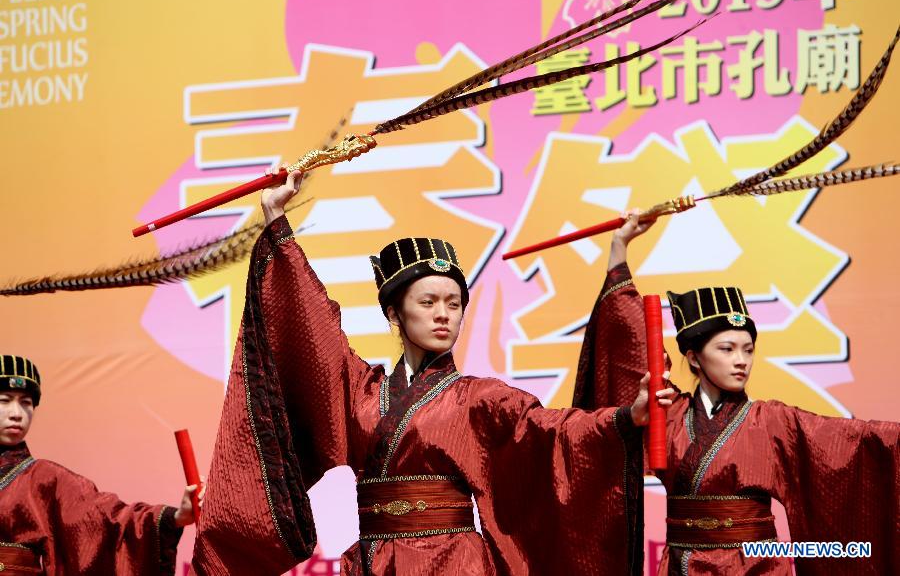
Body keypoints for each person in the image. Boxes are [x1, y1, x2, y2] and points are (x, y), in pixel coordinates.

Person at [191, 171, 673, 576]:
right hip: (376, 559)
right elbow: (310, 328)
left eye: (454, 303)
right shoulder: (360, 388)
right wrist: (276, 216)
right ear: (395, 316)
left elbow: (553, 432)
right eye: (428, 302)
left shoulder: (480, 399)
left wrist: (625, 416)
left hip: (454, 561)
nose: (444, 314)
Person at [573, 211, 900, 575]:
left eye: (748, 349)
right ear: (694, 358)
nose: (741, 360)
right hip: (680, 566)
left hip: (754, 567)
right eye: (727, 349)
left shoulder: (775, 421)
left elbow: (857, 443)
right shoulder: (667, 410)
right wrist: (619, 245)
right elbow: (628, 338)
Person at [0, 354, 199, 575]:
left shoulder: (45, 479)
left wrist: (176, 516)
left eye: (26, 403)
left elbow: (110, 522)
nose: (17, 414)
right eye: (5, 400)